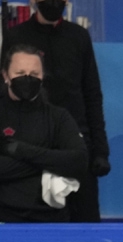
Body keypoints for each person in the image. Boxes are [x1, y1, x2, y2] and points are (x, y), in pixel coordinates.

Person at [3, 0, 108, 222]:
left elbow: (92, 94)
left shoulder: (78, 36)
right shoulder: (15, 36)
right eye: (21, 71)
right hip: (27, 136)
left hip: (75, 138)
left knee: (86, 221)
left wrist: (100, 150)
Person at [0, 43, 87, 222]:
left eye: (34, 74)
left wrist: (18, 150)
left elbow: (79, 161)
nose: (27, 78)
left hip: (52, 221)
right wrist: (51, 157)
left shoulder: (58, 117)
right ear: (5, 76)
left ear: (42, 77)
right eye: (19, 73)